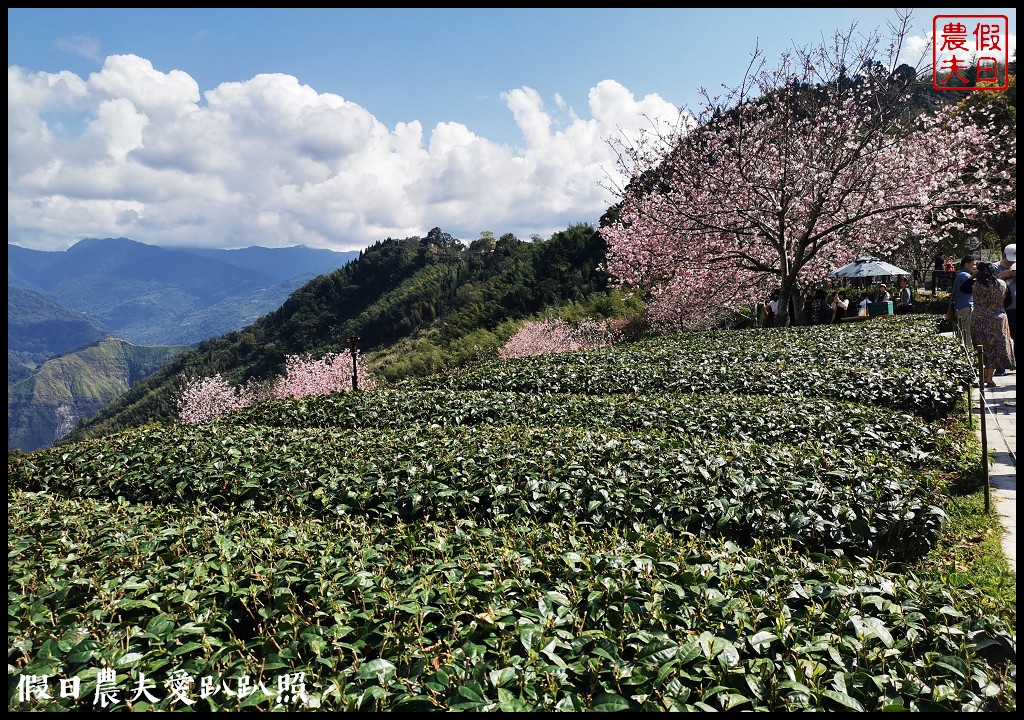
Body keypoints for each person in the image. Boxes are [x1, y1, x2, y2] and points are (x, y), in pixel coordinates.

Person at [970, 261, 1014, 387]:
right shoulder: (1002, 284)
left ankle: (982, 378)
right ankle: (989, 378)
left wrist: (973, 276)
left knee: (981, 349)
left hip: (979, 319)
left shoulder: (976, 285)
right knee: (994, 349)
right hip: (998, 319)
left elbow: (963, 287)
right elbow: (1008, 301)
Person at [995, 243, 1016, 373]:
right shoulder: (995, 267)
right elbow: (987, 283)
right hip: (1001, 309)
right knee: (1002, 338)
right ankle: (1000, 366)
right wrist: (1002, 276)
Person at [951, 254, 977, 348]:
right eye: (973, 264)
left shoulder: (959, 274)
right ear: (966, 264)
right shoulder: (964, 275)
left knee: (962, 332)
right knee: (967, 332)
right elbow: (975, 284)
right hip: (966, 307)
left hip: (960, 307)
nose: (975, 267)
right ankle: (969, 353)